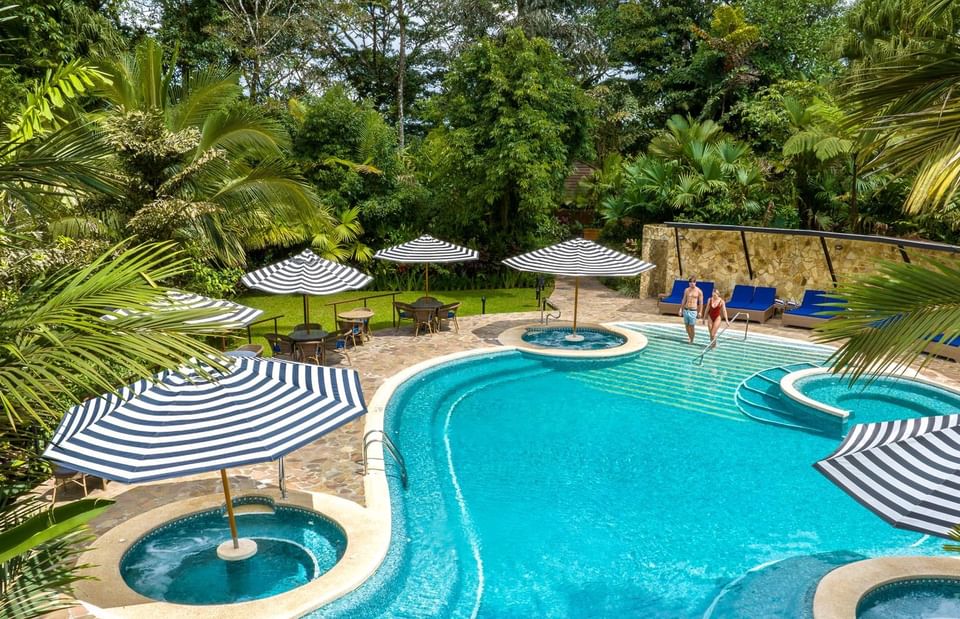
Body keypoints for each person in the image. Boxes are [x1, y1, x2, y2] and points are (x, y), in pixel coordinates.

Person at [678, 276, 703, 344]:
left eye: (693, 282)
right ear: (689, 283)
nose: (692, 283)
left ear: (695, 283)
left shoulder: (699, 291)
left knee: (691, 326)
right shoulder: (686, 290)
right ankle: (690, 336)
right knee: (686, 326)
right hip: (686, 309)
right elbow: (684, 300)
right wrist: (681, 309)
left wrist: (700, 312)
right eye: (690, 282)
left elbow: (701, 302)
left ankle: (692, 339)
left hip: (693, 311)